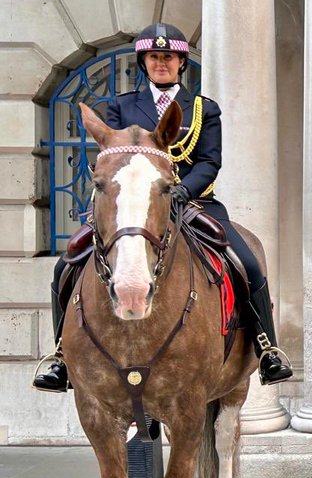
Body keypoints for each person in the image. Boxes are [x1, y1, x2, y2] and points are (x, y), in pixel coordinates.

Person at [33, 22, 292, 392]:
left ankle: (266, 348)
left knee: (246, 262)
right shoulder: (121, 107)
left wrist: (184, 190)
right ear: (144, 62)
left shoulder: (203, 109)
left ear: (181, 63)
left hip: (193, 202)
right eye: (154, 57)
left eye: (168, 57)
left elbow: (209, 162)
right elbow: (113, 157)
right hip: (132, 206)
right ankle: (60, 354)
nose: (161, 63)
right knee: (67, 263)